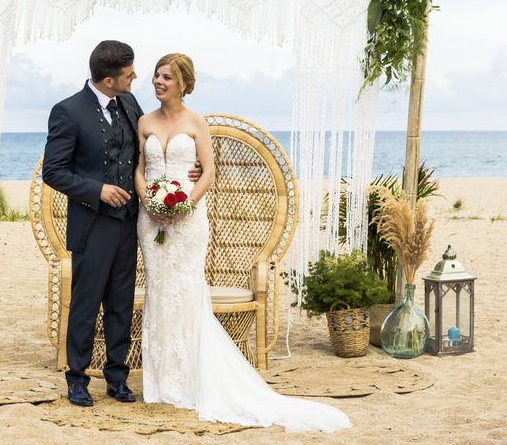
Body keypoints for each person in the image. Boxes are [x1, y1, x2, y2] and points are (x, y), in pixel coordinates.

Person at [134, 53, 353, 433]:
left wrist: (185, 203)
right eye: (156, 75)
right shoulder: (144, 121)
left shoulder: (196, 122)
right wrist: (148, 202)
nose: (158, 81)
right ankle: (159, 384)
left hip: (188, 221)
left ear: (183, 83)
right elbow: (140, 168)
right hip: (150, 219)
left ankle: (189, 380)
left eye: (166, 76)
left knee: (185, 292)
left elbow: (209, 172)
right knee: (159, 290)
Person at [42, 41, 200, 407]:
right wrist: (97, 190)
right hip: (92, 223)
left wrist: (188, 168)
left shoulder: (130, 104)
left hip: (130, 222)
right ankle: (77, 379)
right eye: (130, 74)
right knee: (85, 303)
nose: (136, 78)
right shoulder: (67, 111)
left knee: (121, 303)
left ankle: (117, 377)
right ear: (109, 80)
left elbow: (149, 151)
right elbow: (54, 171)